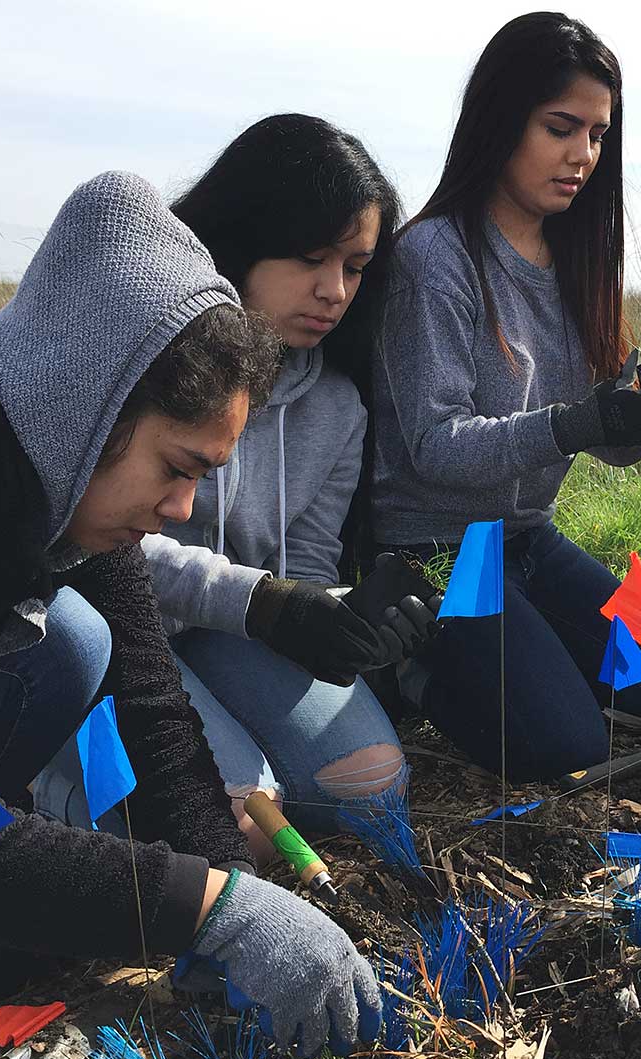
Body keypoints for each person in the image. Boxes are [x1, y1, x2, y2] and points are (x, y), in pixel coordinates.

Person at [0, 172, 380, 1059]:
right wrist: (205, 908)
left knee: (73, 646)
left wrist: (236, 905)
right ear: (93, 409)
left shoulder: (41, 454)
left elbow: (153, 708)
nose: (181, 509)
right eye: (176, 468)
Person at [370, 12, 641, 780]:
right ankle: (413, 669)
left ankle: (520, 649)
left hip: (531, 539)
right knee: (565, 747)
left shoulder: (578, 259)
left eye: (597, 134)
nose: (583, 156)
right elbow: (434, 447)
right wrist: (574, 423)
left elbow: (605, 433)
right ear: (500, 120)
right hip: (441, 551)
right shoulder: (433, 260)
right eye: (561, 127)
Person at [121, 115, 434, 859]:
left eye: (355, 267)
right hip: (119, 626)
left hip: (234, 630)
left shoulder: (336, 406)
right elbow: (103, 550)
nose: (333, 291)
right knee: (247, 825)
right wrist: (264, 604)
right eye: (309, 258)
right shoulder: (145, 361)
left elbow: (306, 571)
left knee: (374, 784)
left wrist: (344, 621)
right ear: (240, 236)